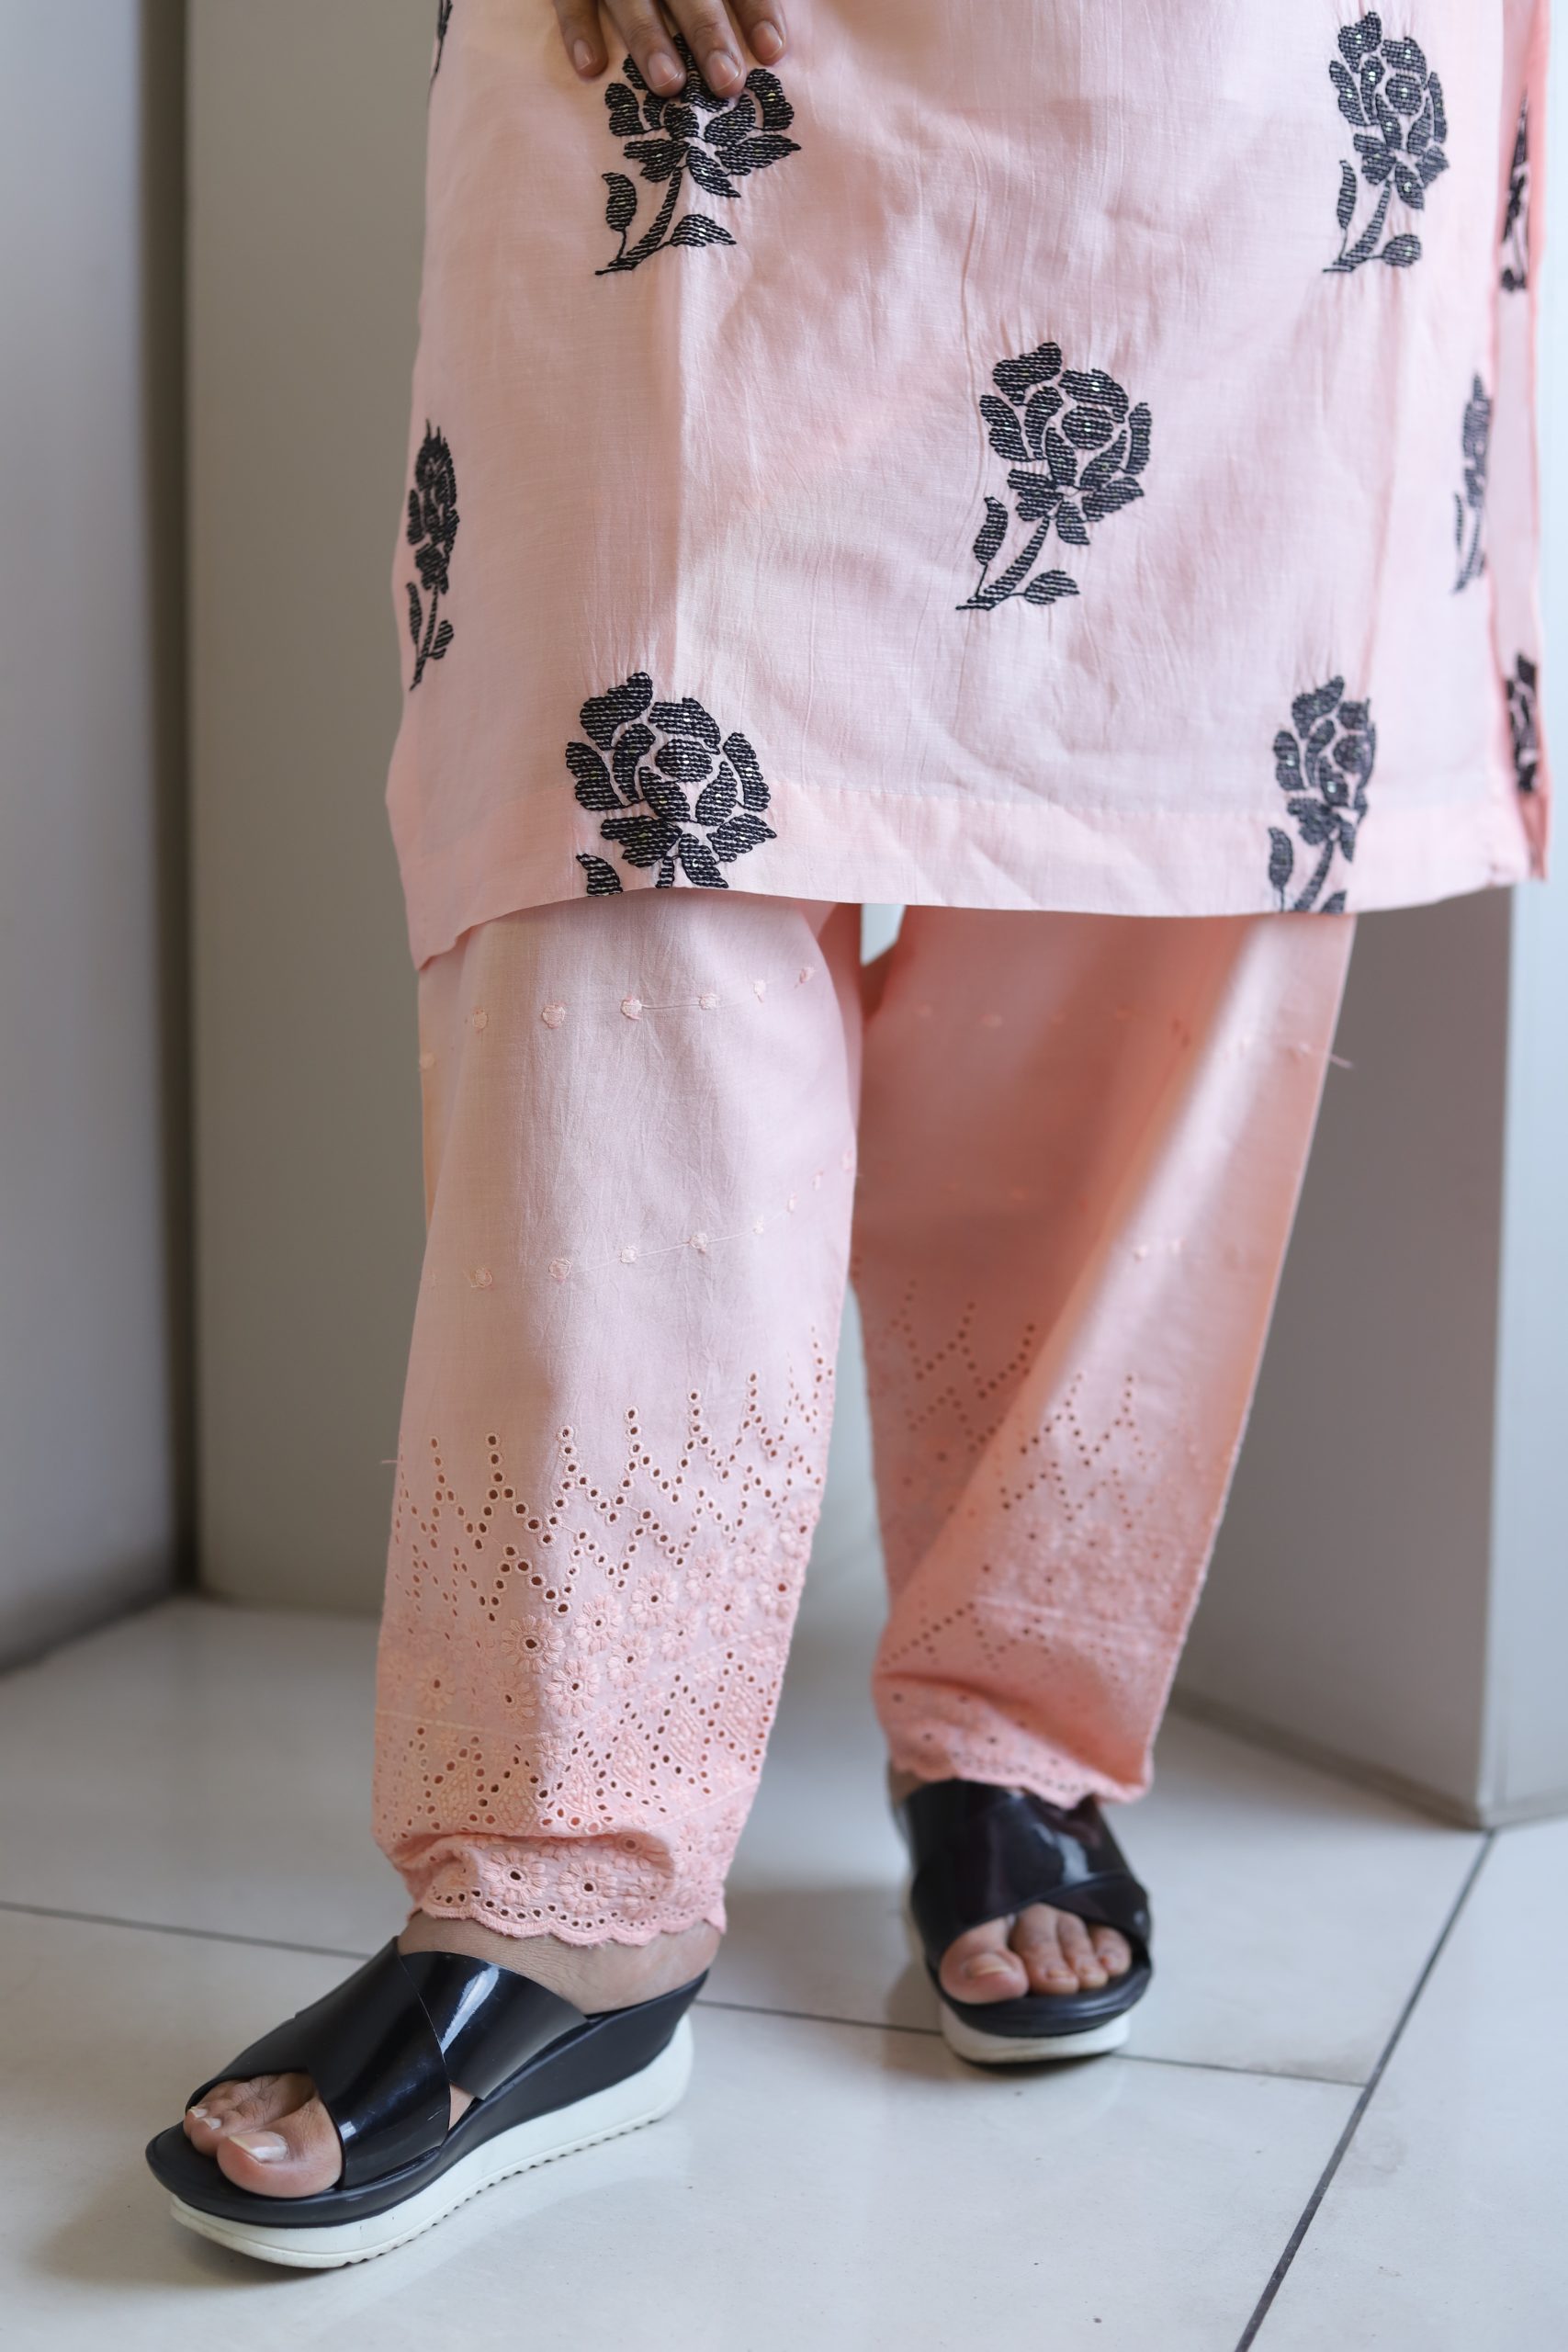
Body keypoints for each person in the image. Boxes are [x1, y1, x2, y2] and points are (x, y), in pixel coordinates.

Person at [146, 0, 1548, 2267]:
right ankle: (565, 1870)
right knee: (620, 821)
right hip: (695, 66)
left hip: (1225, 78)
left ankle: (1009, 1719)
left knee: (1144, 877)